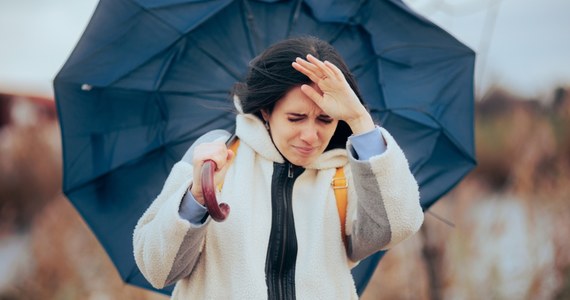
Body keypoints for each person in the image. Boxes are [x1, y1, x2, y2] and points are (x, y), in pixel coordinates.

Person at [133, 36, 424, 299]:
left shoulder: (349, 172)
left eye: (325, 119)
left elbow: (396, 227)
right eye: (296, 118)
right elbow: (158, 270)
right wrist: (197, 197)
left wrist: (360, 120)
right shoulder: (215, 159)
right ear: (266, 111)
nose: (311, 136)